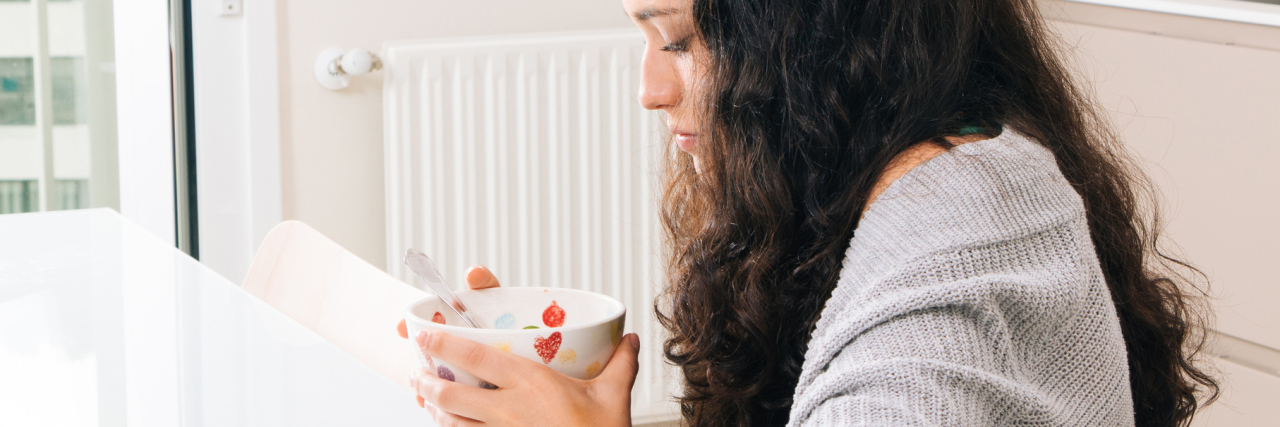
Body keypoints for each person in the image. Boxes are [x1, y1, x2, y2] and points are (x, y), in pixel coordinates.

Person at [395, 0, 1219, 425]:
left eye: (680, 40)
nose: (649, 88)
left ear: (814, 31)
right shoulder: (913, 179)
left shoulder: (967, 231)